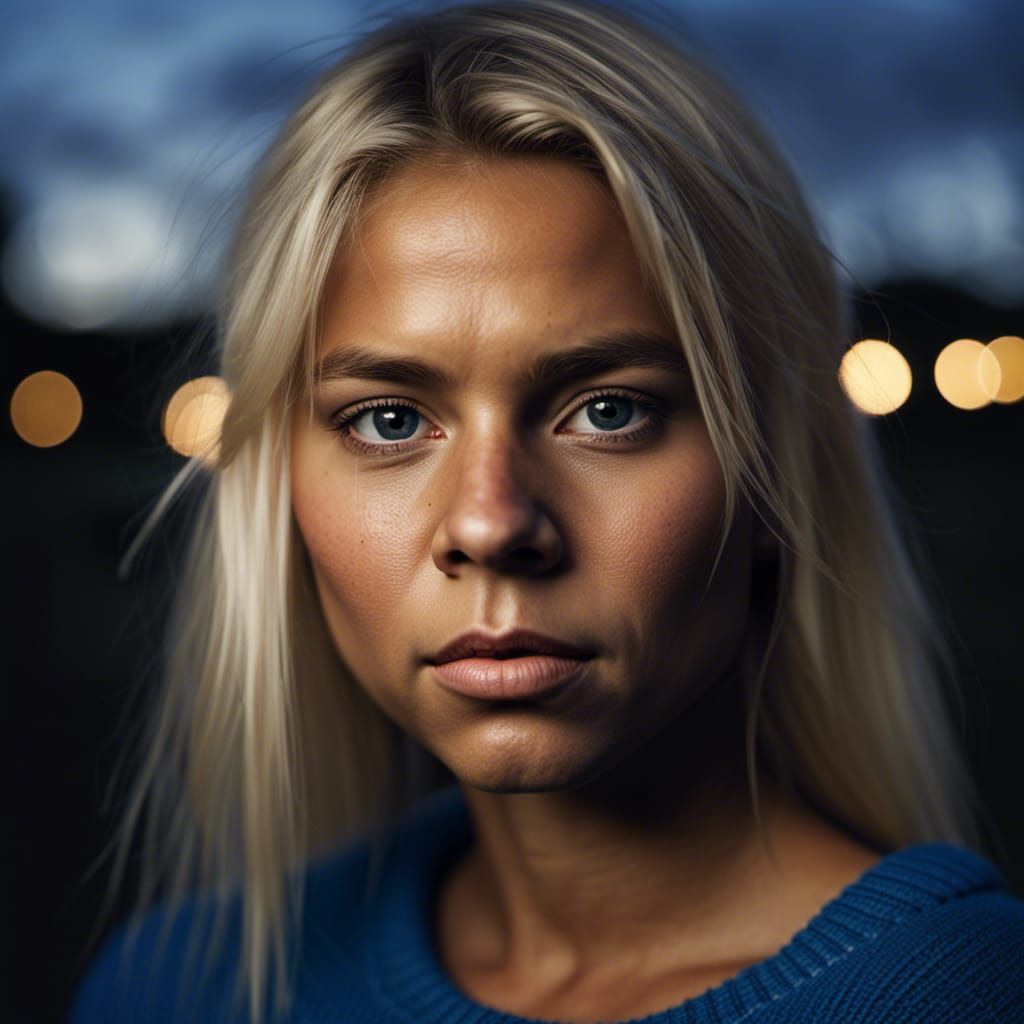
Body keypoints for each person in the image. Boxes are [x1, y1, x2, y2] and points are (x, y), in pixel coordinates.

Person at [67, 1, 1024, 1021]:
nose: (488, 524)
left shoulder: (961, 994)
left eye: (608, 411)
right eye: (389, 420)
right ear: (279, 483)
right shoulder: (173, 988)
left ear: (774, 469)